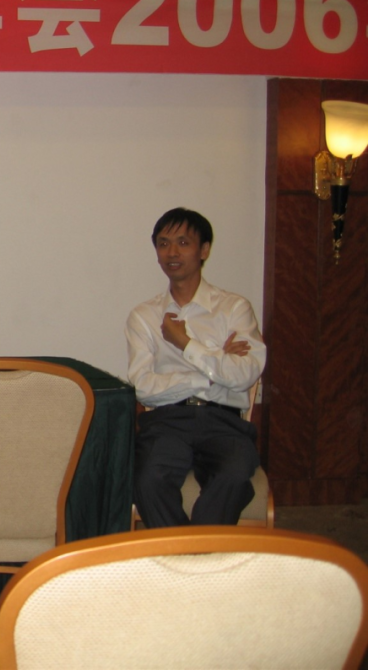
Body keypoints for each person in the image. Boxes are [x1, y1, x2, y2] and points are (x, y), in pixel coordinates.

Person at [126, 207, 266, 529]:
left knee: (234, 474)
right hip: (166, 421)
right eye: (163, 244)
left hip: (224, 421)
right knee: (146, 479)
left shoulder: (234, 308)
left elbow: (245, 375)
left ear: (204, 250)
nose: (172, 252)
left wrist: (185, 343)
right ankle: (190, 552)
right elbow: (144, 387)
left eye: (183, 242)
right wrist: (212, 371)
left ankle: (192, 554)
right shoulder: (144, 317)